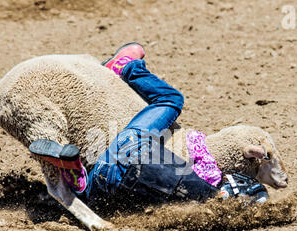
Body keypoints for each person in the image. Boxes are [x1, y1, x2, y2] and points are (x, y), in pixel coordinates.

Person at [29, 43, 268, 209]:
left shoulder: (211, 175)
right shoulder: (193, 210)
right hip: (109, 180)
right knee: (98, 197)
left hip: (133, 151)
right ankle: (77, 177)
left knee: (171, 100)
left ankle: (126, 68)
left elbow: (196, 147)